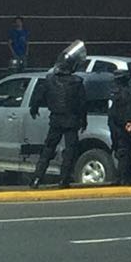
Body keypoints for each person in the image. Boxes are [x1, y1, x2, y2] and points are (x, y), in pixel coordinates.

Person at [29, 41, 87, 189]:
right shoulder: (77, 82)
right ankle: (64, 180)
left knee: (48, 149)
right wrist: (83, 120)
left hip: (56, 119)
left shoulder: (50, 80)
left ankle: (37, 178)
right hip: (71, 120)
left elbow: (38, 96)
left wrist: (34, 108)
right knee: (70, 151)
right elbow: (82, 104)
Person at [107, 68, 131, 186]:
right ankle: (128, 178)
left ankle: (123, 178)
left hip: (124, 126)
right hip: (118, 125)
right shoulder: (120, 90)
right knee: (125, 151)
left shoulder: (130, 91)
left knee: (124, 151)